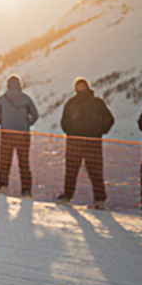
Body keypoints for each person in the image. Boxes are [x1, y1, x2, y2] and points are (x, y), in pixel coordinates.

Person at [56, 78, 114, 209]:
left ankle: (100, 199)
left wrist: (99, 131)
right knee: (71, 169)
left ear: (87, 87)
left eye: (82, 86)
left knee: (95, 171)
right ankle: (67, 195)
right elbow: (64, 121)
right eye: (78, 86)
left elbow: (109, 119)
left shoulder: (97, 103)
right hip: (74, 142)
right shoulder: (71, 103)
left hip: (92, 142)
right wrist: (70, 132)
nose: (80, 88)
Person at [0, 75, 39, 197]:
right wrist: (27, 124)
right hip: (23, 135)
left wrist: (3, 123)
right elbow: (35, 114)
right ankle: (26, 190)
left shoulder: (2, 99)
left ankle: (2, 186)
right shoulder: (26, 98)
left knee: (4, 162)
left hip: (7, 134)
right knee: (24, 162)